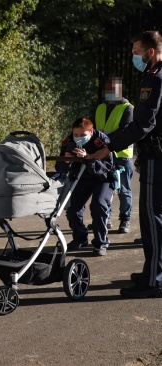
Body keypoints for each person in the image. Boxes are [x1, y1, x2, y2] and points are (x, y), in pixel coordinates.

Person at [87, 30, 162, 298]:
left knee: (152, 218)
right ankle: (154, 271)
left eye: (136, 52)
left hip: (157, 157)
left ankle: (153, 281)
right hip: (155, 154)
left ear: (150, 52)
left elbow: (142, 124)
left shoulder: (153, 81)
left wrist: (108, 146)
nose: (134, 57)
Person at [56, 117, 114, 256]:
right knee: (73, 208)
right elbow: (60, 168)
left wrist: (88, 158)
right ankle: (80, 238)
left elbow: (107, 167)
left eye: (83, 135)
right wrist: (67, 160)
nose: (78, 138)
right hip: (81, 178)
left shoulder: (102, 141)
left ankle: (101, 242)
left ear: (91, 131)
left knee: (98, 205)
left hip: (102, 178)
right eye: (76, 135)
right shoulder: (68, 141)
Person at [94, 76, 134, 233]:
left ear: (120, 89)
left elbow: (125, 130)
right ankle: (106, 218)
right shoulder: (100, 108)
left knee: (123, 190)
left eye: (113, 89)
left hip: (122, 154)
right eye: (108, 89)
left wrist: (106, 143)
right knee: (105, 188)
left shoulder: (127, 107)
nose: (110, 92)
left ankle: (125, 220)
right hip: (105, 155)